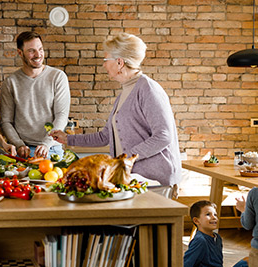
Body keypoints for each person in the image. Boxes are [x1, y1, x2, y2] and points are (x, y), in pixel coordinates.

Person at [51, 33, 181, 199]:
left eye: (106, 60)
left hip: (155, 182)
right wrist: (68, 140)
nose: (104, 65)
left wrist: (125, 158)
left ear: (119, 62)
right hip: (135, 179)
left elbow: (164, 136)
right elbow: (105, 136)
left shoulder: (148, 89)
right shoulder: (124, 93)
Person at [0, 31, 70, 159]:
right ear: (20, 53)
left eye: (40, 49)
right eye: (31, 51)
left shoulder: (58, 77)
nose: (38, 55)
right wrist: (19, 144)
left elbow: (61, 115)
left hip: (51, 148)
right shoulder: (11, 82)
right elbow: (6, 121)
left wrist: (46, 143)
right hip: (22, 151)